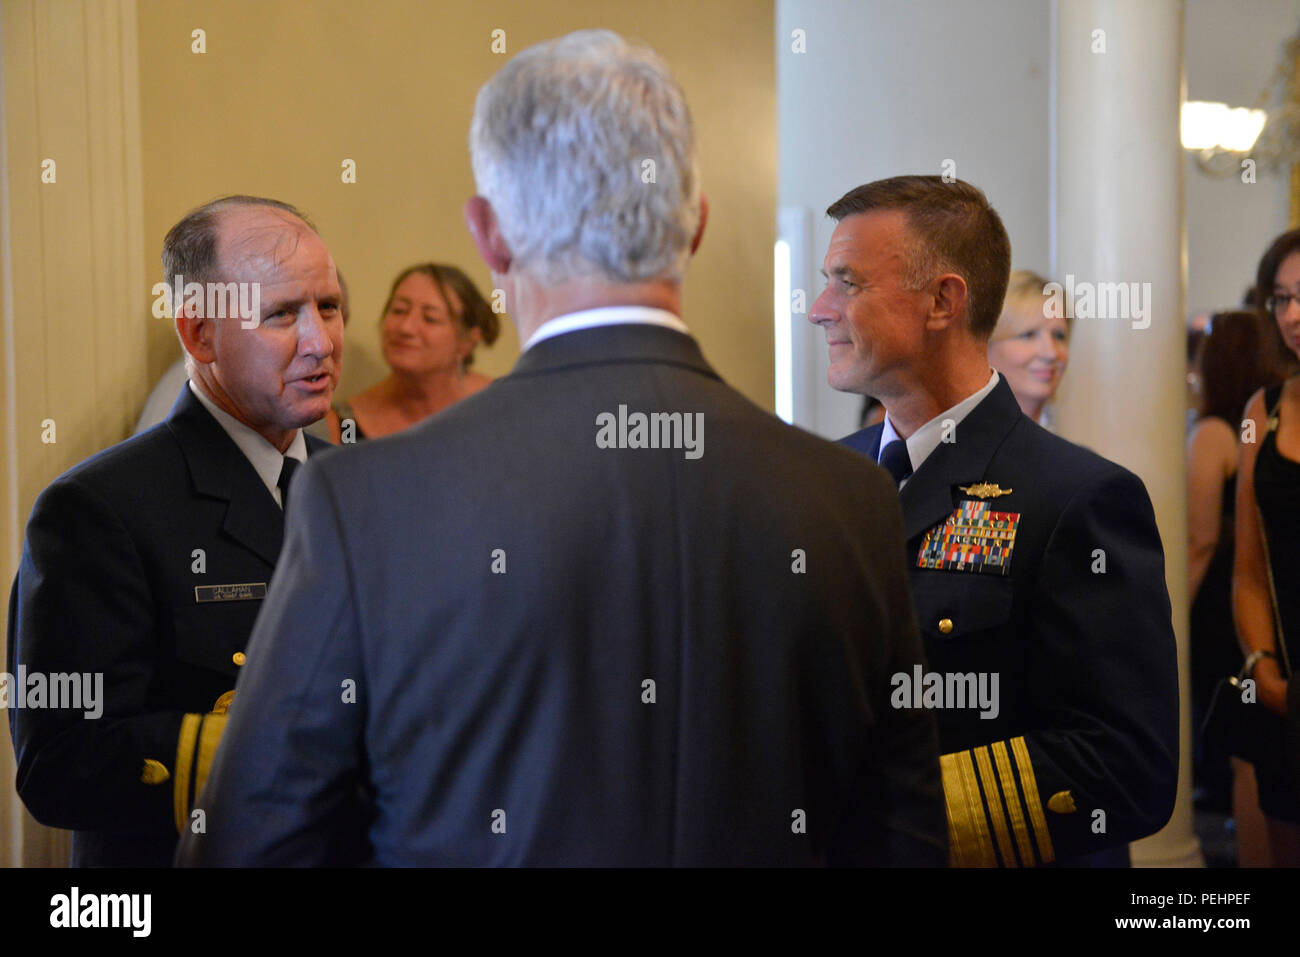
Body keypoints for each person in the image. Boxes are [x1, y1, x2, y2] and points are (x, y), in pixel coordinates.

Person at [177, 30, 947, 867]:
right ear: (694, 225)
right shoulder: (849, 496)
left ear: (490, 237)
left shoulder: (366, 498)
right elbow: (902, 838)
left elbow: (255, 842)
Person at [812, 175, 1178, 867]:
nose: (820, 309)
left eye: (848, 282)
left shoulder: (1078, 496)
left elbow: (1127, 764)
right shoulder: (827, 477)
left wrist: (892, 813)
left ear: (944, 300)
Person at [7, 195, 343, 866]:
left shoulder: (358, 483)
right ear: (198, 335)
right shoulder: (98, 508)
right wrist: (273, 744)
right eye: (280, 314)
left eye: (328, 306)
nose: (321, 341)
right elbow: (61, 762)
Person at [1186, 311, 1275, 862]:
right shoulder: (1270, 422)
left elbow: (1199, 539)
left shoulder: (1212, 432)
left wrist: (1173, 612)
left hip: (1222, 603)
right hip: (1258, 598)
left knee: (1244, 752)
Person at [1235, 227, 1300, 866]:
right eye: (1280, 299)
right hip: (1290, 693)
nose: (1292, 315)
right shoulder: (1265, 408)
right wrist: (1264, 672)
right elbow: (1249, 570)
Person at [325, 263, 497, 443]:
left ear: (467, 341)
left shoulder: (500, 405)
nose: (406, 328)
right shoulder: (347, 425)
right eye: (399, 310)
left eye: (430, 319)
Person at [987, 269, 1070, 429]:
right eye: (1028, 335)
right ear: (986, 346)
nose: (1051, 353)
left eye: (1058, 336)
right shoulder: (951, 447)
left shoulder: (1073, 453)